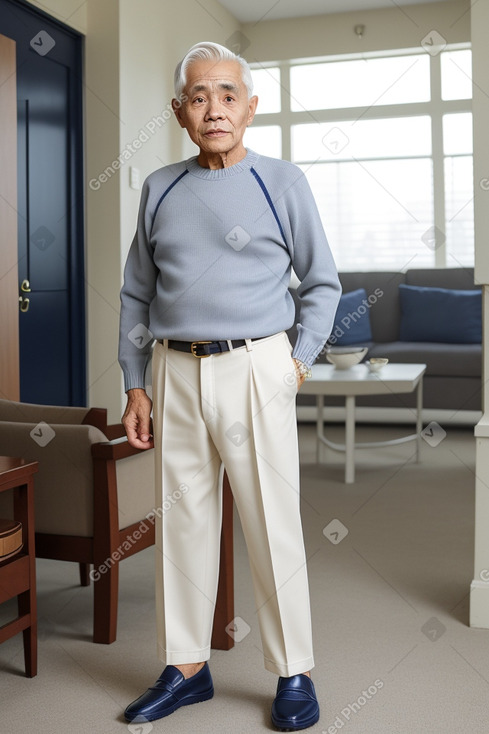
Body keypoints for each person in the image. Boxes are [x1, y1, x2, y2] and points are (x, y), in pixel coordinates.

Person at [118, 41, 341, 732]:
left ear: (249, 105)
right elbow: (134, 296)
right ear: (178, 112)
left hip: (256, 367)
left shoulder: (283, 182)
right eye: (196, 96)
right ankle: (186, 667)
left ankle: (292, 670)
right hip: (173, 369)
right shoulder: (160, 186)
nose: (211, 108)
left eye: (224, 93)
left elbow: (323, 283)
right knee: (181, 520)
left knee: (271, 523)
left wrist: (295, 362)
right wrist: (134, 384)